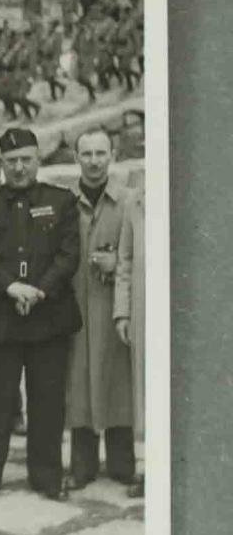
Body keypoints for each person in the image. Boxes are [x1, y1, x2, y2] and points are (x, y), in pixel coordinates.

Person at [0, 128, 81, 502]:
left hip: (49, 318)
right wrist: (11, 287)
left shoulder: (61, 200)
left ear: (37, 161)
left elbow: (68, 255)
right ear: (1, 164)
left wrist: (39, 290)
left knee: (47, 402)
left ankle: (46, 477)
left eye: (25, 160)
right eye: (11, 161)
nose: (18, 168)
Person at [64, 128, 135, 491]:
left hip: (112, 304)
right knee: (78, 381)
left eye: (100, 153)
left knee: (117, 378)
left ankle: (122, 462)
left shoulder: (128, 201)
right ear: (76, 157)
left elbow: (139, 251)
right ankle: (82, 464)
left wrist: (116, 261)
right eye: (86, 154)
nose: (93, 161)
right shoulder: (64, 201)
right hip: (75, 304)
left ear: (113, 155)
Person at [114, 182, 145, 498]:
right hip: (143, 310)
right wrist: (122, 313)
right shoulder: (136, 202)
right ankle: (149, 468)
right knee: (146, 390)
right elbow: (124, 261)